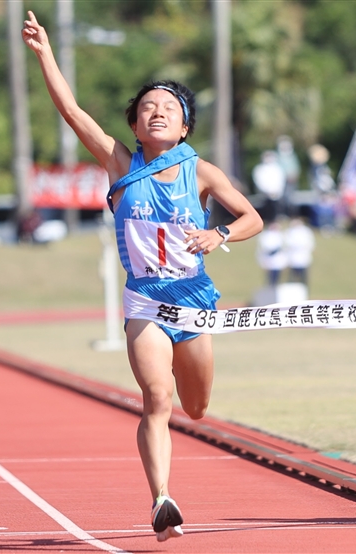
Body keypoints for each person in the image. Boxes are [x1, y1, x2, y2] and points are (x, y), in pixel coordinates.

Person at [23, 11, 263, 543]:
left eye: (168, 108)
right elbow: (71, 111)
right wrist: (45, 54)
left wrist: (218, 236)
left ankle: (172, 466)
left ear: (184, 127)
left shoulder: (201, 171)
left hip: (194, 299)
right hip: (145, 302)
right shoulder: (119, 164)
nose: (156, 113)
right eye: (146, 108)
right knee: (158, 398)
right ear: (134, 125)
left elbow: (252, 218)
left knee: (196, 407)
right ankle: (162, 499)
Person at [251, 150, 286, 224]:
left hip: (276, 193)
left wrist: (276, 191)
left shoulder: (277, 168)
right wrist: (267, 191)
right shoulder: (260, 169)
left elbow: (280, 181)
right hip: (265, 194)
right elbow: (259, 181)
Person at [283, 217, 315, 286]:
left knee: (303, 279)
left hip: (303, 259)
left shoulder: (306, 231)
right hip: (292, 259)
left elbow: (310, 244)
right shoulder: (289, 231)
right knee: (292, 280)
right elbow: (286, 244)